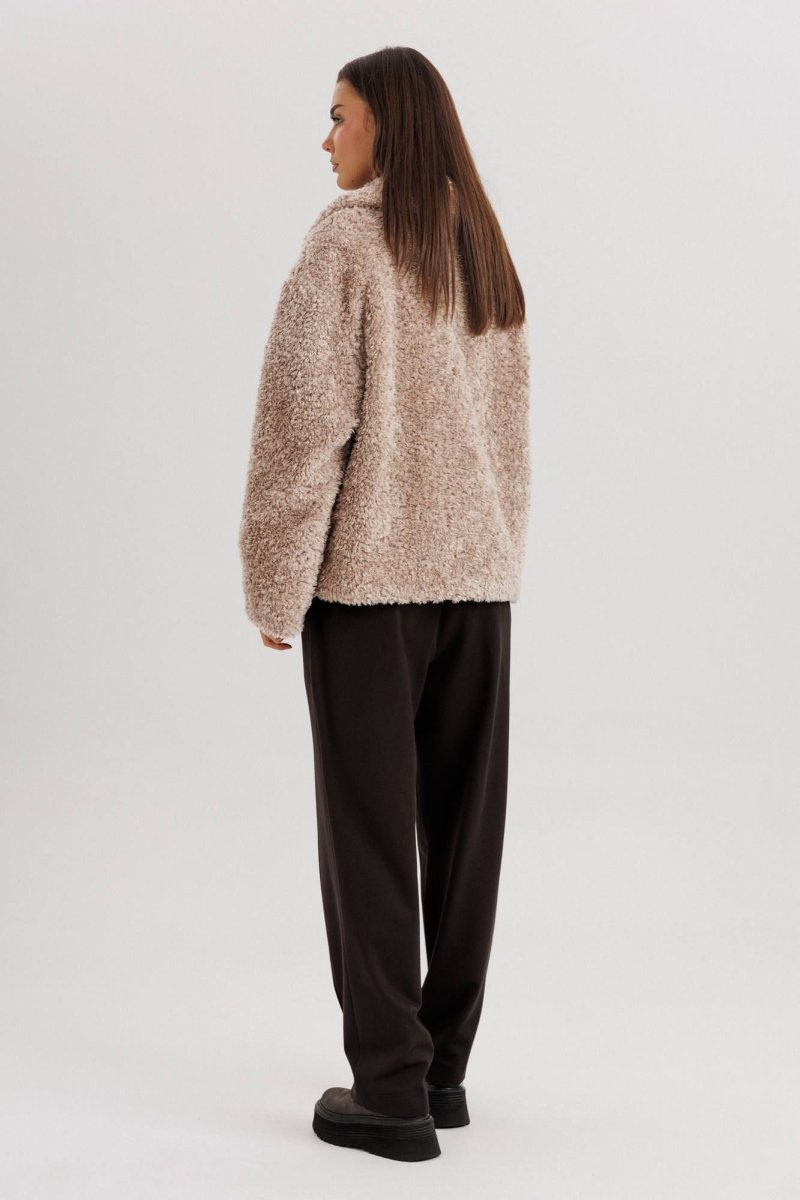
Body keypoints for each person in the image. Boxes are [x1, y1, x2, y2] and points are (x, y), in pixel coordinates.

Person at [238, 46, 531, 1163]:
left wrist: (275, 579)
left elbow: (302, 426)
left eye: (339, 117)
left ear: (387, 126)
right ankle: (440, 1071)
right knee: (463, 835)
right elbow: (509, 436)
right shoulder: (482, 246)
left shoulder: (347, 243)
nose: (326, 141)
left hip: (369, 585)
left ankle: (389, 1091)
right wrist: (497, 559)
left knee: (367, 835)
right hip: (479, 587)